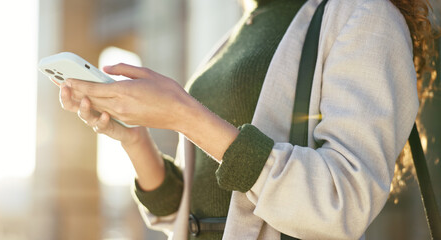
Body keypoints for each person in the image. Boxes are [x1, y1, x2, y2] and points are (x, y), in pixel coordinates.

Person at [59, 0, 437, 239]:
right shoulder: (241, 30)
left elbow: (342, 202)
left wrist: (183, 114)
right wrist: (134, 140)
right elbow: (195, 208)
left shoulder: (366, 14)